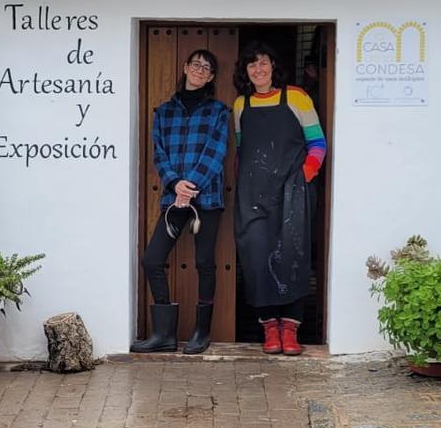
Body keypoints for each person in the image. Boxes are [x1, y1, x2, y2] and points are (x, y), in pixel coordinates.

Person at [131, 49, 229, 354]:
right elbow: (159, 153)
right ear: (186, 68)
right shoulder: (163, 112)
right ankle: (164, 334)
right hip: (174, 199)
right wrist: (175, 183)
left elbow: (217, 151)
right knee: (152, 259)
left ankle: (202, 331)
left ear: (212, 76)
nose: (200, 70)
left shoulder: (219, 112)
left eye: (207, 68)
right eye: (196, 64)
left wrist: (192, 186)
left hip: (206, 199)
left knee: (204, 263)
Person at [232, 41, 327, 356]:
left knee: (293, 256)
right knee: (257, 259)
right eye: (251, 65)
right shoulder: (240, 105)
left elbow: (317, 143)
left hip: (293, 192)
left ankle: (290, 328)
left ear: (273, 66)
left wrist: (304, 177)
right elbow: (242, 150)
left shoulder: (297, 97)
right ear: (245, 72)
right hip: (253, 196)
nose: (258, 70)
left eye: (263, 63)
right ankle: (269, 327)